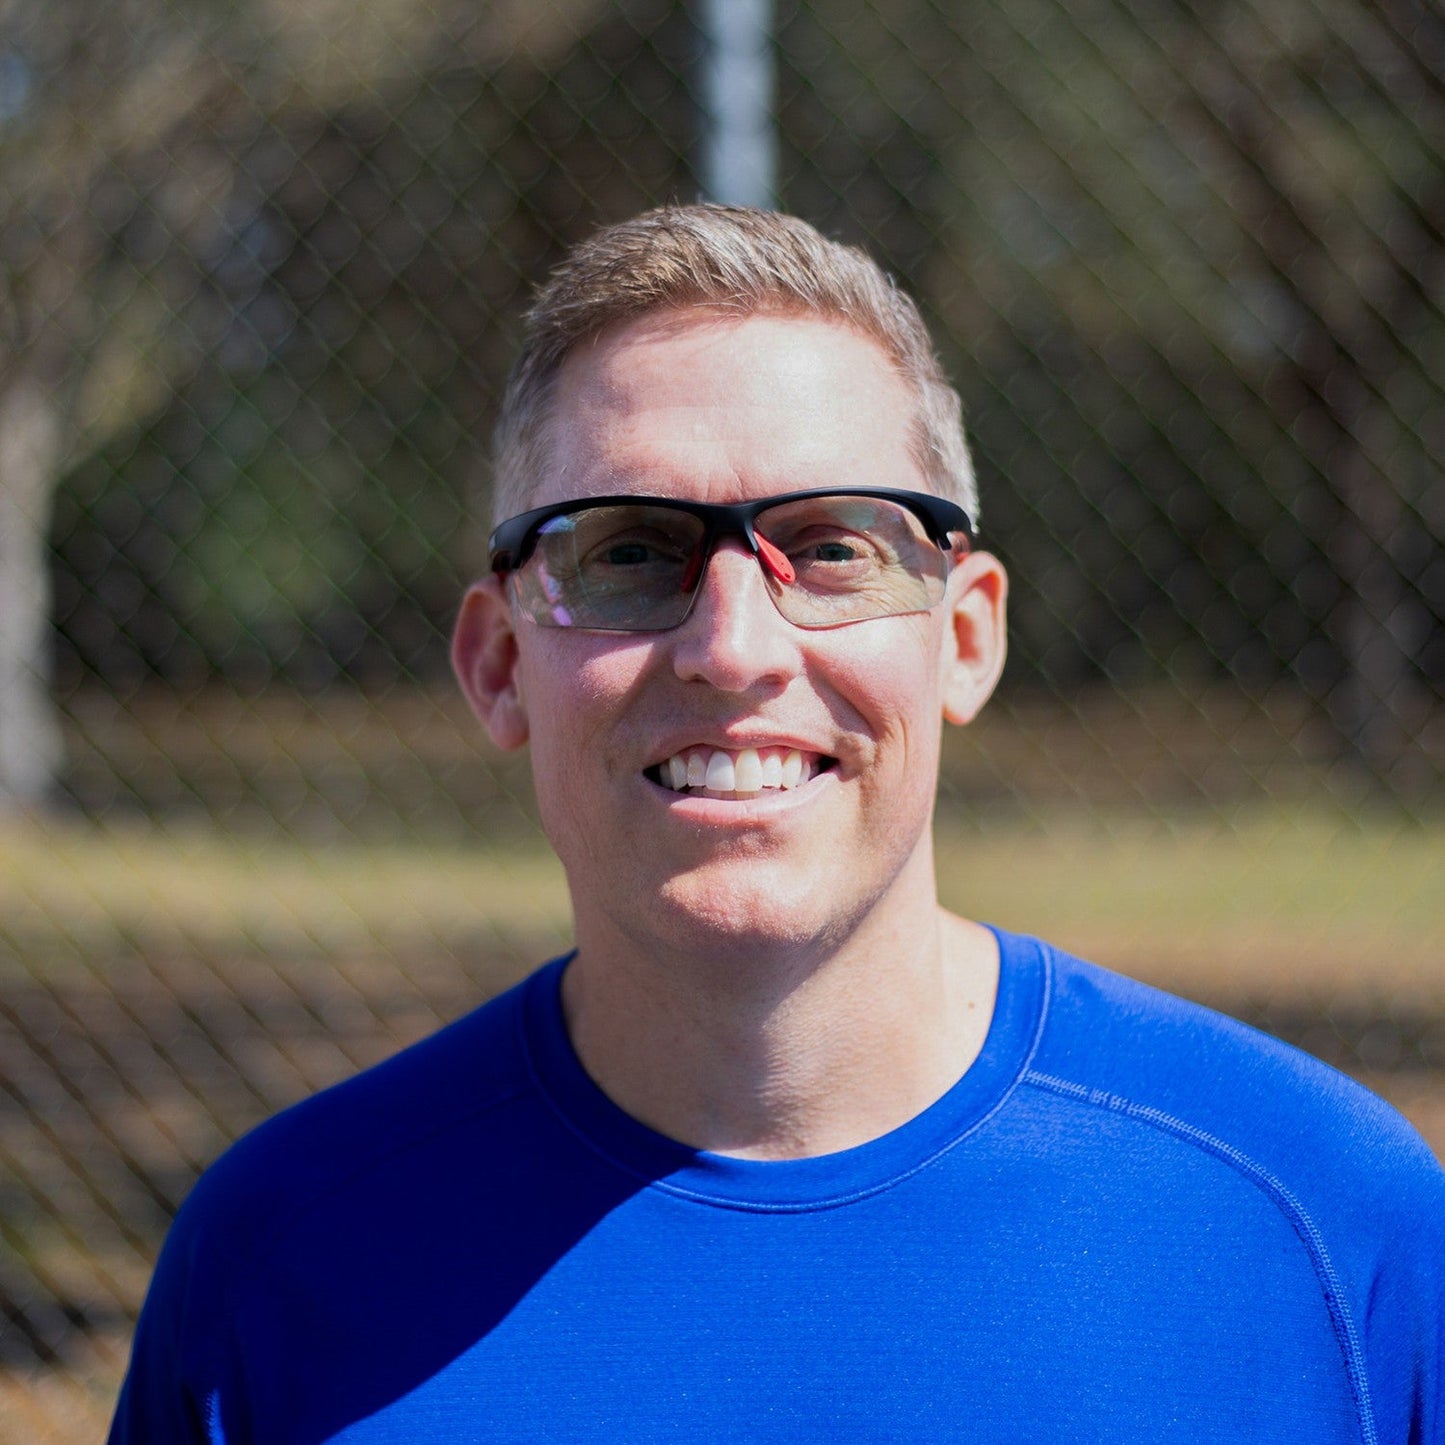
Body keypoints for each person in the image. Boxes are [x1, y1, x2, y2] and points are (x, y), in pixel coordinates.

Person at [110, 204, 1443, 1443]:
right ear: (499, 664)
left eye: (834, 544)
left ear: (964, 637)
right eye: (627, 550)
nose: (733, 646)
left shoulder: (1320, 1223)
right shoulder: (284, 1259)